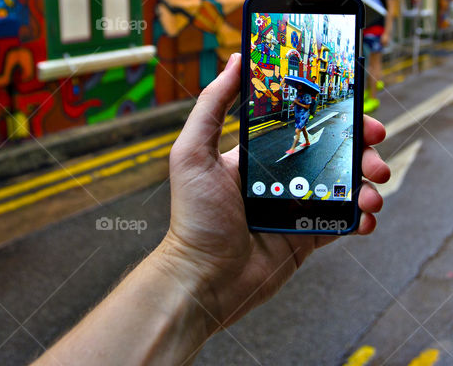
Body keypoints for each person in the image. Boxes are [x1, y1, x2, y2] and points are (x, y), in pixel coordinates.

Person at [33, 54, 390, 365]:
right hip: (293, 124)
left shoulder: (306, 100)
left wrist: (190, 268)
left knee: (305, 137)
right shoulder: (297, 96)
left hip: (298, 121)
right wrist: (192, 261)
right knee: (301, 137)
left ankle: (303, 141)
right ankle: (302, 141)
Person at [360, 0, 398, 114]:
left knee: (374, 63)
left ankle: (373, 98)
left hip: (378, 27)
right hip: (364, 26)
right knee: (364, 63)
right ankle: (368, 91)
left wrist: (387, 32)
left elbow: (391, 8)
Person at [286, 90, 314, 154]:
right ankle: (307, 142)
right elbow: (295, 101)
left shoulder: (307, 96)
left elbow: (307, 107)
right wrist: (292, 104)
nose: (298, 87)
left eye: (300, 86)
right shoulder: (298, 93)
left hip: (304, 115)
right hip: (298, 115)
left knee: (297, 130)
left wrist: (297, 103)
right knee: (303, 129)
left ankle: (292, 148)